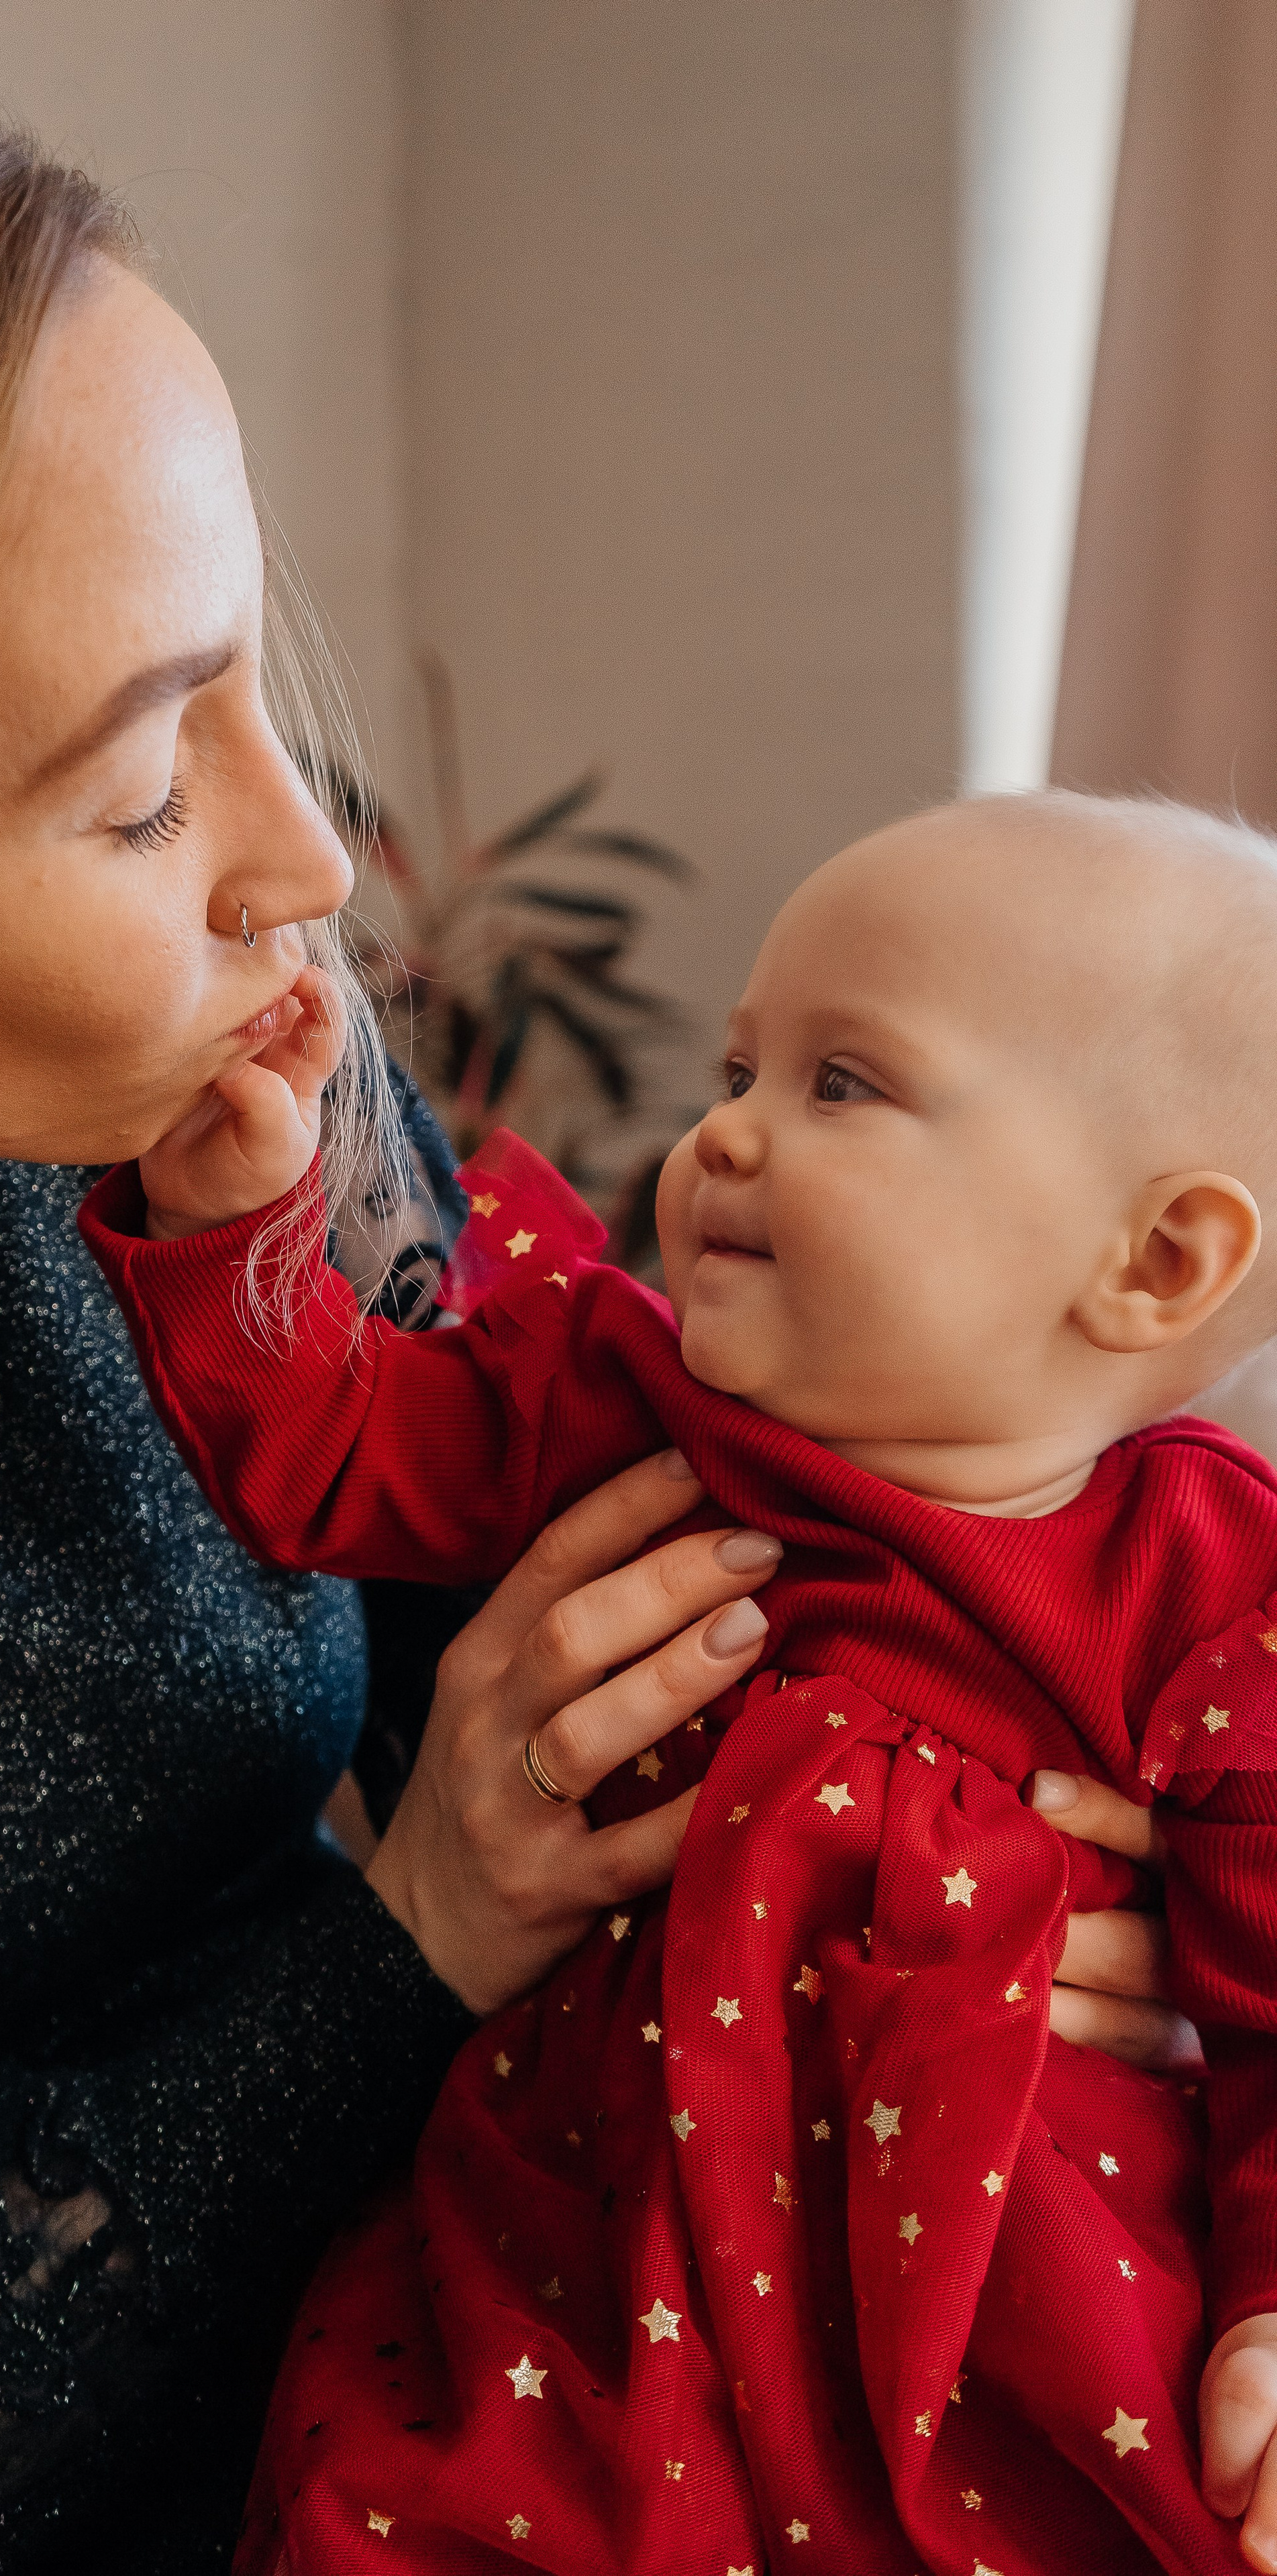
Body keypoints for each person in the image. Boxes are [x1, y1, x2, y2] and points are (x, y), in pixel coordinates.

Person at [0, 26, 1182, 2573]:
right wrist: (406, 1937)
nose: (309, 868)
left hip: (528, 2375)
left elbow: (677, 1575)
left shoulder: (211, 1111)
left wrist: (1043, 1878)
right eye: (136, 791)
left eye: (248, 672)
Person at [87, 788, 1277, 2574]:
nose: (723, 1133)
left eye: (842, 1083)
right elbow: (330, 1453)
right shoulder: (612, 1397)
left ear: (1156, 1260)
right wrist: (240, 1228)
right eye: (740, 1069)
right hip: (574, 2274)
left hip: (991, 2323)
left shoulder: (1210, 1595)